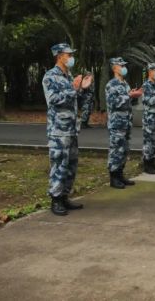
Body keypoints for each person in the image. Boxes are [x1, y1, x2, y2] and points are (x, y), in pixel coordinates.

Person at [42, 43, 92, 215]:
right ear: (59, 56)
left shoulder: (68, 76)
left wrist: (83, 89)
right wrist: (74, 88)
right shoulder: (50, 76)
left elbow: (76, 99)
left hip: (71, 129)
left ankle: (64, 196)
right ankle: (55, 200)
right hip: (58, 130)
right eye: (68, 54)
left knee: (71, 164)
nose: (71, 57)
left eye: (71, 54)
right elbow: (54, 100)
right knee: (59, 164)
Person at [106, 57, 143, 189]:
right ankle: (114, 177)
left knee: (124, 150)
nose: (123, 67)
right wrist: (129, 96)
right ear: (114, 68)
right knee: (116, 150)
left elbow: (127, 101)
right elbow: (113, 103)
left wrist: (133, 95)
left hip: (126, 122)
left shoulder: (125, 84)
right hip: (117, 123)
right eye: (121, 65)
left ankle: (120, 174)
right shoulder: (111, 85)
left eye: (124, 65)